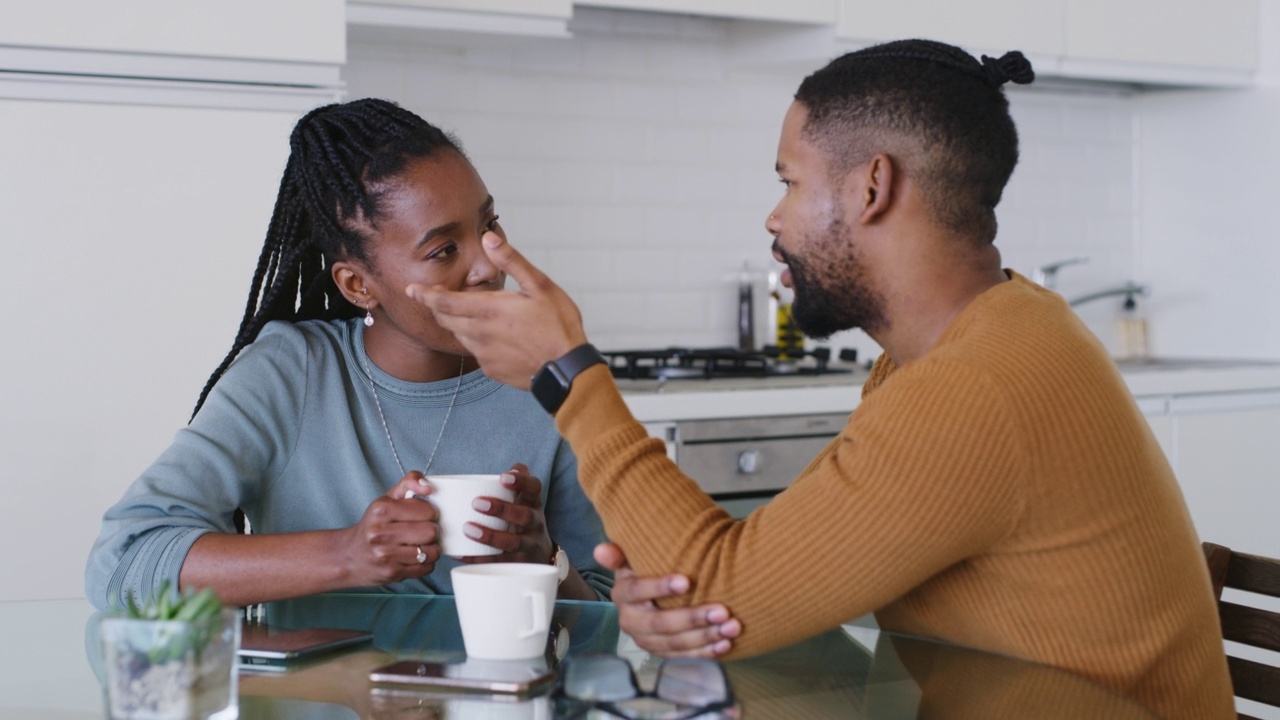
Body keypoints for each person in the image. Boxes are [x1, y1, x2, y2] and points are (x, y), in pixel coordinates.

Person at [406, 39, 1235, 719]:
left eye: (789, 183)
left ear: (873, 187)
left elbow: (722, 593)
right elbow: (753, 582)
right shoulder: (969, 346)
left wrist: (570, 377)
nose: (773, 218)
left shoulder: (980, 385)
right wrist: (680, 595)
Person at [85, 99, 612, 609]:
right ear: (358, 285)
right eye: (443, 250)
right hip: (317, 699)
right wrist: (348, 554)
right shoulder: (292, 376)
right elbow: (122, 564)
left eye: (488, 225)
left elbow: (610, 617)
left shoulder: (544, 384)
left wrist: (545, 559)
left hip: (495, 698)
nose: (486, 266)